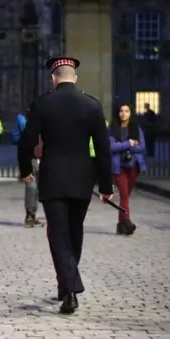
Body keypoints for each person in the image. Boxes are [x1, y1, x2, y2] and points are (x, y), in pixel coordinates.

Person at [18, 56, 113, 315]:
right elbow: (104, 150)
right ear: (75, 77)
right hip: (83, 177)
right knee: (75, 231)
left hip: (53, 176)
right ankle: (67, 284)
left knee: (58, 233)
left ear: (54, 77)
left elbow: (26, 141)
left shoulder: (43, 103)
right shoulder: (92, 105)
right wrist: (106, 185)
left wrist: (26, 170)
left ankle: (69, 288)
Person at [109, 104, 147, 236]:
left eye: (126, 111)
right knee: (124, 194)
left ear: (131, 113)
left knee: (125, 197)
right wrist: (129, 143)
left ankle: (121, 225)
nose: (123, 113)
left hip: (133, 166)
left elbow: (142, 147)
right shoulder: (112, 129)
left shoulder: (136, 129)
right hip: (118, 167)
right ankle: (127, 222)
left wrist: (123, 147)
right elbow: (111, 147)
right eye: (121, 111)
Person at [13, 108, 44, 227]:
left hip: (43, 160)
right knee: (32, 188)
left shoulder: (47, 127)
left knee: (39, 190)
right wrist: (24, 171)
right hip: (31, 160)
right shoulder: (28, 130)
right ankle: (30, 215)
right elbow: (22, 150)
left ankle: (35, 214)